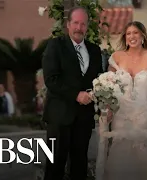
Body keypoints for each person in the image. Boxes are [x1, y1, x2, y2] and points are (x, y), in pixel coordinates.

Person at [98, 21, 147, 180]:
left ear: (143, 35)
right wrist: (109, 108)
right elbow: (107, 85)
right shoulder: (117, 57)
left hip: (141, 112)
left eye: (135, 33)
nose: (132, 36)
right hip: (121, 111)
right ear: (125, 37)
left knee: (140, 148)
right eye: (128, 33)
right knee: (119, 146)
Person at [42, 6, 103, 180]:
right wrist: (76, 94)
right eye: (75, 23)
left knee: (80, 166)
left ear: (87, 26)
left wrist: (97, 96)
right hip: (59, 117)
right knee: (55, 167)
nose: (79, 28)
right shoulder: (55, 46)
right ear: (68, 24)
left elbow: (99, 79)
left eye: (83, 24)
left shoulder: (94, 51)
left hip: (84, 118)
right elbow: (51, 79)